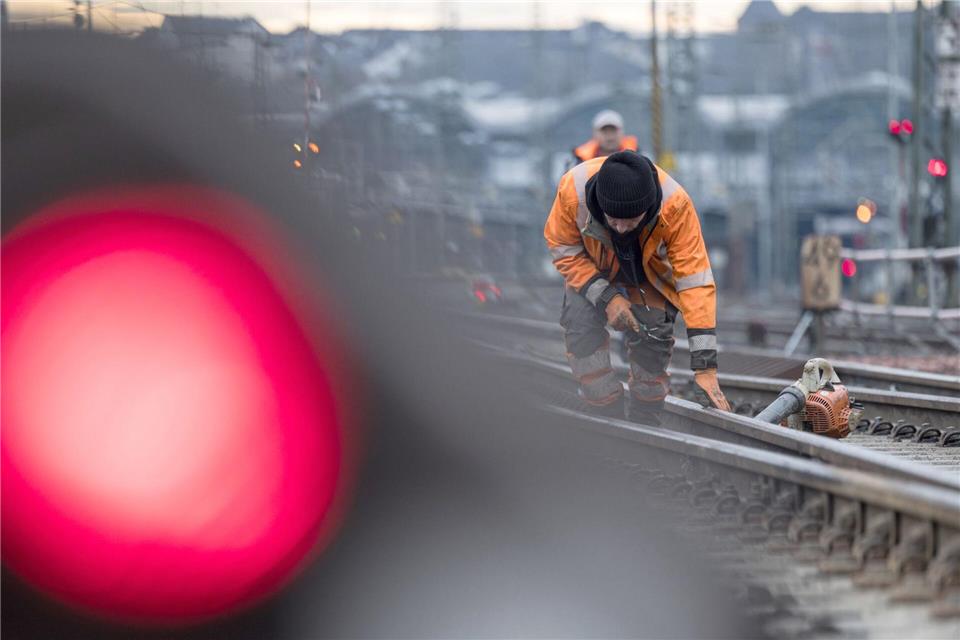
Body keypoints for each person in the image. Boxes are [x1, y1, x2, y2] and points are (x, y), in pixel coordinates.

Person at [544, 151, 730, 424]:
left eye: (630, 221)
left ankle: (646, 416)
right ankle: (605, 408)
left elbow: (695, 282)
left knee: (654, 337)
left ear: (648, 207)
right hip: (591, 273)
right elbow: (563, 248)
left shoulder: (675, 206)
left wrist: (705, 367)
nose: (620, 228)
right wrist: (607, 298)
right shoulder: (573, 191)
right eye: (613, 220)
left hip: (646, 277)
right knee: (580, 325)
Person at [571, 110, 638, 166]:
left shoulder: (639, 158)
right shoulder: (578, 162)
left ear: (622, 132)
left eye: (613, 131)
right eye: (604, 131)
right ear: (595, 133)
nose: (610, 136)